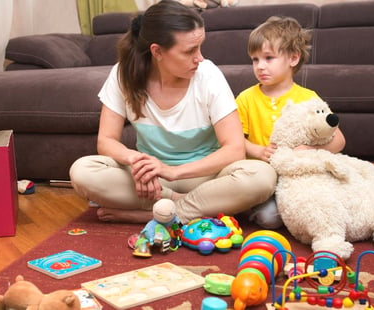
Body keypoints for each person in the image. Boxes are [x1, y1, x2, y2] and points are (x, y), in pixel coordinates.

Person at [69, 0, 276, 224]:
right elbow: (106, 141)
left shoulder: (208, 74)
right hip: (154, 181)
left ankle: (158, 214)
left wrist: (174, 171)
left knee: (262, 177)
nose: (200, 58)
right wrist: (137, 163)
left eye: (200, 47)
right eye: (190, 51)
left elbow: (234, 149)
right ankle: (185, 207)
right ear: (157, 51)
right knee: (82, 171)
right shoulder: (123, 75)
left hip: (205, 177)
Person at [236, 16, 346, 229]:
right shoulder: (245, 98)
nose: (260, 66)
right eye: (255, 59)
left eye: (268, 58)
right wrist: (257, 150)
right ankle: (253, 205)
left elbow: (339, 140)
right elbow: (234, 139)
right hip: (263, 179)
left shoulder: (308, 98)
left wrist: (312, 150)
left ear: (293, 58)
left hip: (299, 177)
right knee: (270, 219)